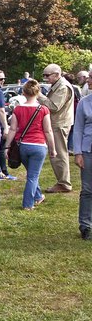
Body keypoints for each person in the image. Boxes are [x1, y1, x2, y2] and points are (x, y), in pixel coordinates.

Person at [4, 80, 57, 210]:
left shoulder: (18, 109)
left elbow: (12, 129)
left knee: (31, 173)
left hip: (23, 145)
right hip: (38, 145)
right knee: (33, 176)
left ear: (23, 92)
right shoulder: (43, 109)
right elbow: (48, 130)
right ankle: (28, 204)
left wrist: (7, 146)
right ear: (38, 92)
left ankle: (38, 196)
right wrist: (53, 149)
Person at [38, 64, 74, 193]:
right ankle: (62, 182)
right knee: (58, 154)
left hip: (59, 124)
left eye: (47, 75)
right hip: (58, 123)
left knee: (59, 154)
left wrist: (38, 95)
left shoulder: (63, 87)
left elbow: (54, 107)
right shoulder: (58, 85)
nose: (46, 78)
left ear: (57, 74)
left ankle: (64, 184)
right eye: (44, 75)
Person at [73, 91, 92, 239]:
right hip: (87, 151)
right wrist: (78, 152)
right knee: (87, 189)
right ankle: (85, 226)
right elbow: (78, 129)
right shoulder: (84, 102)